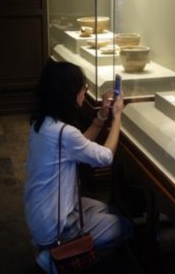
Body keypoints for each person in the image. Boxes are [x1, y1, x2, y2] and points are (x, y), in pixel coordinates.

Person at [24, 60, 133, 273]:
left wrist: (101, 116)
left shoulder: (42, 123)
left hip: (41, 217)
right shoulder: (64, 133)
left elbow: (78, 144)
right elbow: (106, 157)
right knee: (126, 227)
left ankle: (52, 249)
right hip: (56, 228)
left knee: (110, 210)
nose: (85, 93)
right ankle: (55, 256)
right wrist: (117, 116)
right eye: (83, 88)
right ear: (70, 93)